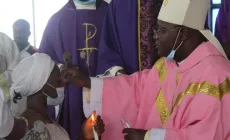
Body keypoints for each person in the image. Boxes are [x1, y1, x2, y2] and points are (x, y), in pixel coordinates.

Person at [62, 0, 230, 139]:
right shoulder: (167, 65)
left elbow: (208, 135)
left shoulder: (215, 76)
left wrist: (149, 137)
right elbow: (137, 88)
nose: (155, 36)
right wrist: (89, 82)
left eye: (162, 30)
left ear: (183, 33)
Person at [38, 0, 108, 139]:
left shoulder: (111, 13)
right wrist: (61, 68)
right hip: (71, 92)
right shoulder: (57, 20)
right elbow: (44, 60)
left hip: (106, 89)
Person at [10, 53, 105, 140]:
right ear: (42, 86)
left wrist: (85, 135)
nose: (63, 85)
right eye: (58, 82)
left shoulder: (42, 117)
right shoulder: (33, 127)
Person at [96, 0, 163, 77]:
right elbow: (108, 45)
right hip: (128, 80)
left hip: (167, 79)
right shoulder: (118, 3)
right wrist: (117, 71)